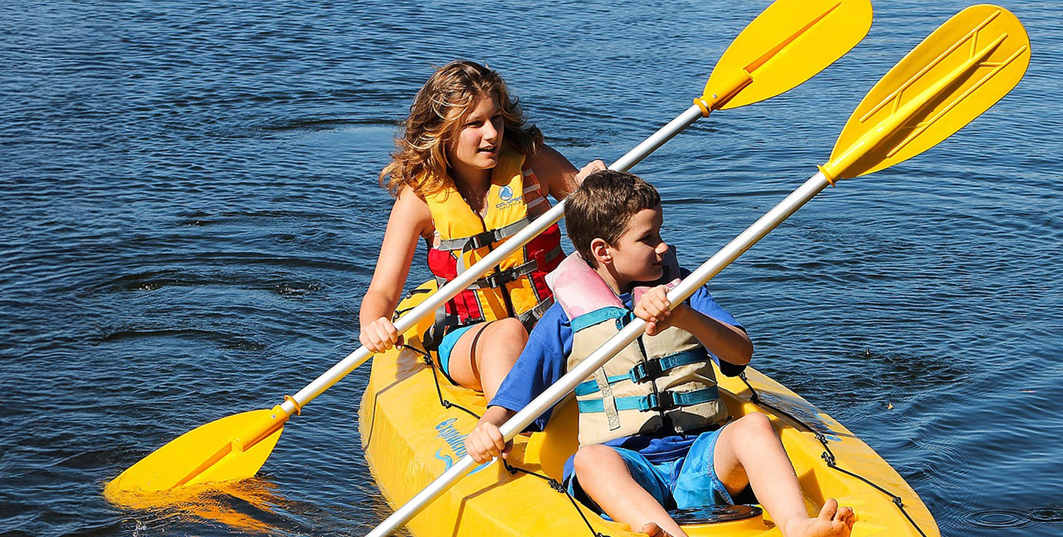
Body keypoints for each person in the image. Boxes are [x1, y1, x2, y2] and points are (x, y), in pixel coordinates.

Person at [464, 170, 856, 537]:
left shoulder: (685, 291)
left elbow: (740, 354)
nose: (663, 246)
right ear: (603, 251)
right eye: (648, 238)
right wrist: (489, 426)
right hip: (629, 469)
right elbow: (517, 395)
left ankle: (796, 525)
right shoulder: (564, 317)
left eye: (660, 233)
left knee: (754, 427)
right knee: (589, 461)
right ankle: (665, 532)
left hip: (701, 456)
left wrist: (685, 317)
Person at [359, 60, 602, 401]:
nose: (492, 133)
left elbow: (605, 224)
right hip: (470, 335)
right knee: (507, 333)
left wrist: (598, 186)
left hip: (553, 320)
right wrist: (373, 324)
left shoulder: (534, 164)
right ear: (442, 132)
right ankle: (509, 424)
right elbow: (383, 291)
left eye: (496, 119)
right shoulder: (419, 200)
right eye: (475, 124)